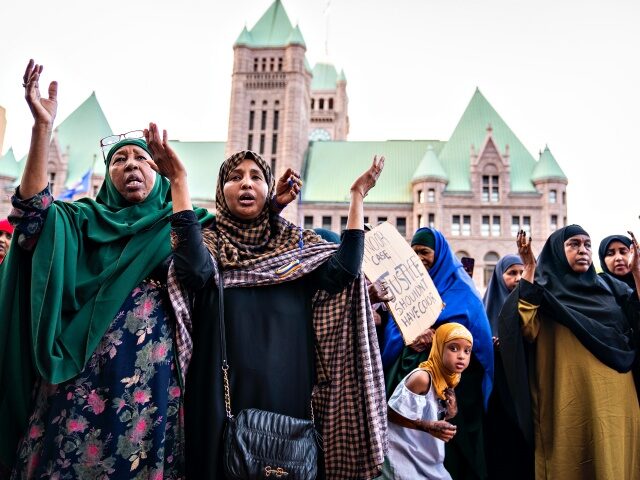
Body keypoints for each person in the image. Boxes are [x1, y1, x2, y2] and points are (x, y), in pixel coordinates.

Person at [0, 60, 299, 479]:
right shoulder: (80, 219)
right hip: (76, 379)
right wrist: (41, 128)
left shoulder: (186, 224)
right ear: (109, 176)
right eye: (119, 160)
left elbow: (240, 247)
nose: (130, 165)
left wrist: (273, 207)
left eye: (141, 157)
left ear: (158, 175)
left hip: (151, 384)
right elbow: (32, 214)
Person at [171, 151, 388, 479]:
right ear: (221, 190)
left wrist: (356, 197)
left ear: (268, 188)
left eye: (256, 177)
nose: (246, 183)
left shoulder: (296, 245)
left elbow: (343, 271)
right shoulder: (209, 242)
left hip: (286, 396)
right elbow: (193, 271)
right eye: (235, 177)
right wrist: (178, 180)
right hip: (218, 395)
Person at [499, 226, 640, 479]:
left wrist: (637, 273)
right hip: (568, 396)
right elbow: (525, 330)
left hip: (618, 399)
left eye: (587, 244)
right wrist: (529, 267)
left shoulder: (609, 286)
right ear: (556, 251)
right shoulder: (541, 289)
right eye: (574, 244)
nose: (583, 250)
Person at [382, 227, 493, 480]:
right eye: (414, 253)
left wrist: (441, 337)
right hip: (408, 384)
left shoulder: (462, 292)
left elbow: (477, 342)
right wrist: (410, 338)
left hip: (451, 393)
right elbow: (391, 336)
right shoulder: (405, 290)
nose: (419, 257)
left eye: (425, 251)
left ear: (440, 254)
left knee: (447, 457)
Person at [383, 322, 473, 480]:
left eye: (467, 351)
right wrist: (427, 426)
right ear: (438, 348)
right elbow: (390, 414)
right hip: (402, 454)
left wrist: (450, 412)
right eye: (453, 348)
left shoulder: (451, 378)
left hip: (426, 455)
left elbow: (429, 411)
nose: (461, 356)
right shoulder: (422, 378)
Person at [481, 255, 533, 480]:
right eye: (512, 273)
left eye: (522, 273)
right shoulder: (485, 307)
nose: (518, 278)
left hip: (522, 389)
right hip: (496, 393)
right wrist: (490, 345)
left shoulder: (530, 306)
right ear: (499, 276)